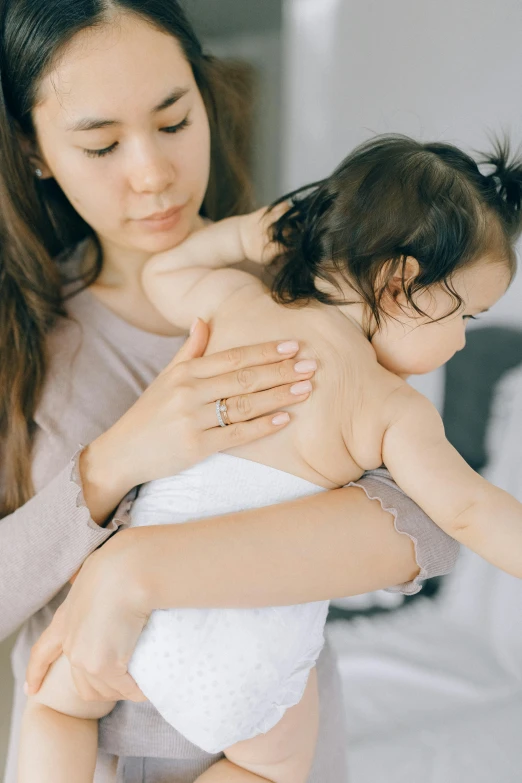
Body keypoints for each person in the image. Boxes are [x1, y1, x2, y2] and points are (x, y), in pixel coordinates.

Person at [0, 2, 460, 782]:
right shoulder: (23, 339)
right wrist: (112, 462)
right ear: (37, 153)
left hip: (276, 752)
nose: (151, 174)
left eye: (175, 123)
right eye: (102, 143)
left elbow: (428, 527)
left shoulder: (322, 291)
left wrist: (137, 567)